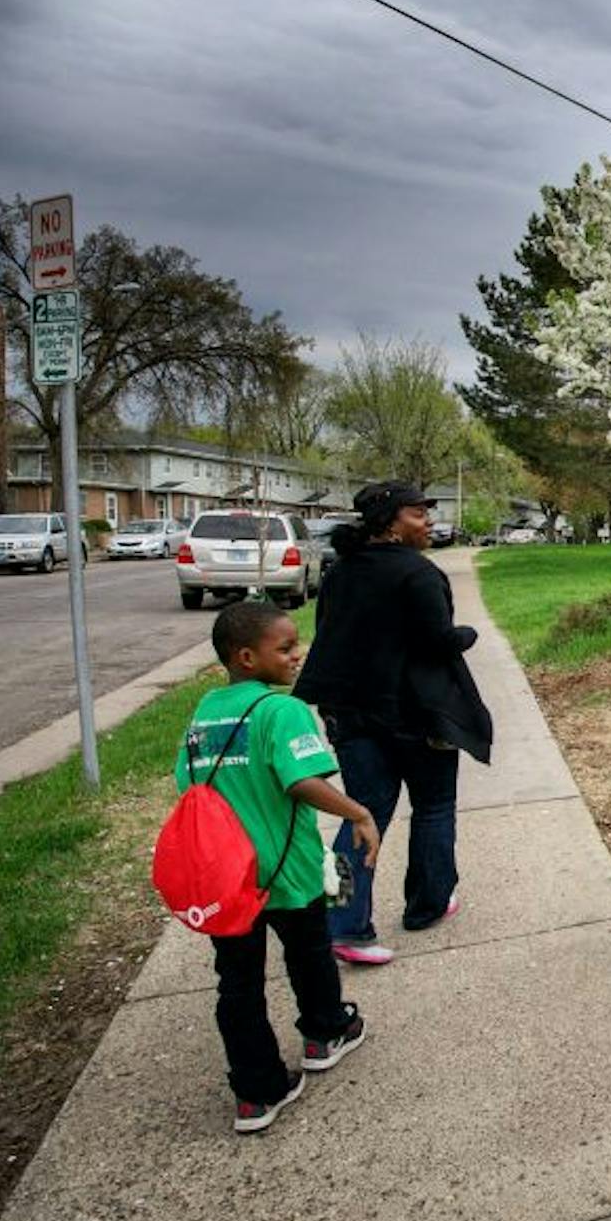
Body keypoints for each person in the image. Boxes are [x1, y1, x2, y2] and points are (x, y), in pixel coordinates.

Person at [176, 601, 380, 1132]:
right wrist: (358, 812)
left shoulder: (205, 712)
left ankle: (255, 1091)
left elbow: (187, 785)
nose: (297, 655)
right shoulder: (280, 710)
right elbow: (301, 781)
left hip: (228, 877)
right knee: (309, 954)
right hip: (287, 868)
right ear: (247, 657)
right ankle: (325, 1032)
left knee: (237, 982)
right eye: (285, 648)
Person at [296, 481, 492, 966]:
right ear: (390, 521)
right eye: (418, 513)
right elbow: (436, 641)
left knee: (360, 816)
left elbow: (330, 635)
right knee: (433, 806)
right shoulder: (418, 574)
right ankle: (427, 905)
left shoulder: (341, 573)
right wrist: (464, 634)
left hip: (353, 715)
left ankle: (343, 925)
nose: (428, 521)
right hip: (417, 717)